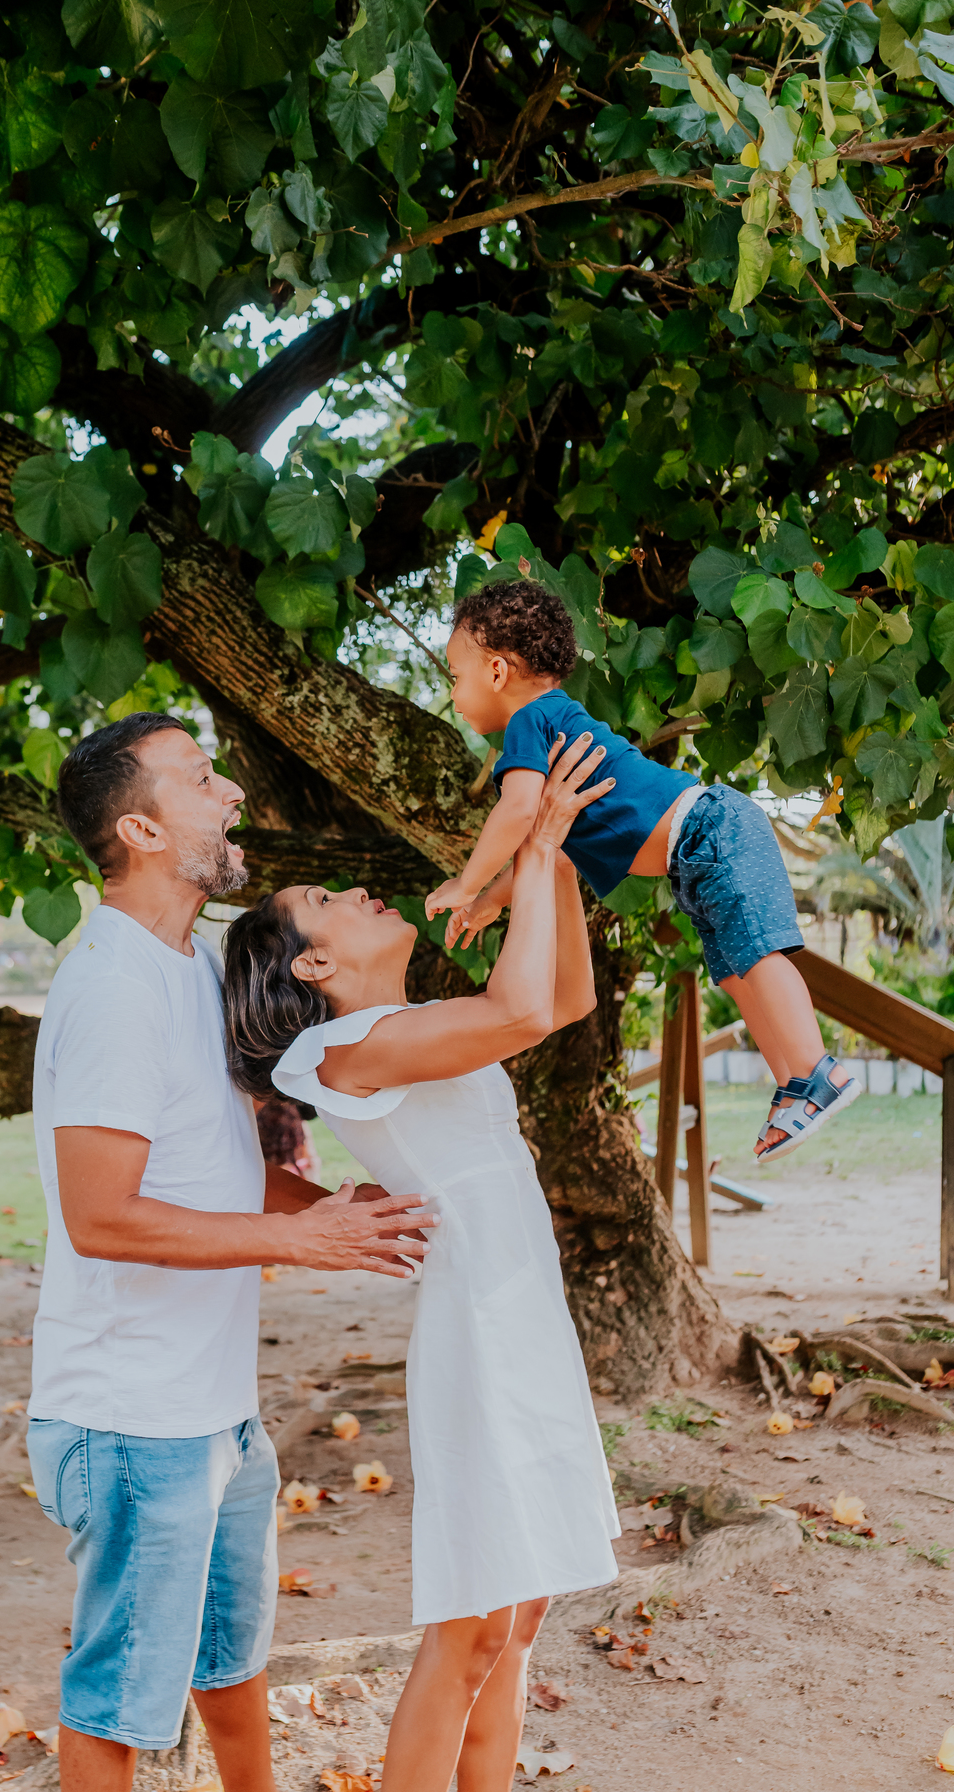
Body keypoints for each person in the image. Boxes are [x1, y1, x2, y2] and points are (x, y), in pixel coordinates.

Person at [25, 711, 438, 1792]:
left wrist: (327, 1206)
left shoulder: (194, 965)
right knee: (119, 1701)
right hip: (129, 1417)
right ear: (142, 829)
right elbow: (101, 1215)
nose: (230, 796)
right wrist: (301, 1238)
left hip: (213, 1408)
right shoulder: (113, 988)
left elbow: (208, 1166)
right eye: (200, 780)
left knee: (230, 1665)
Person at [223, 734, 621, 1792]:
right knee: (471, 1628)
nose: (358, 887)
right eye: (328, 897)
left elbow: (565, 998)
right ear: (312, 964)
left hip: (525, 1313)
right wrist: (529, 847)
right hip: (481, 1336)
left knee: (521, 1615)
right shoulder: (338, 1049)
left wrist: (562, 857)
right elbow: (521, 1008)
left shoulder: (405, 1022)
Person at [425, 579, 858, 1161]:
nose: (453, 692)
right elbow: (546, 843)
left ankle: (817, 1073)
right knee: (734, 970)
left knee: (756, 955)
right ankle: (793, 1087)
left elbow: (520, 810)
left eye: (456, 675)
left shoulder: (530, 722)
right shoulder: (552, 724)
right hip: (697, 849)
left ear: (498, 671)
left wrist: (466, 882)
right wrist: (493, 901)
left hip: (710, 830)